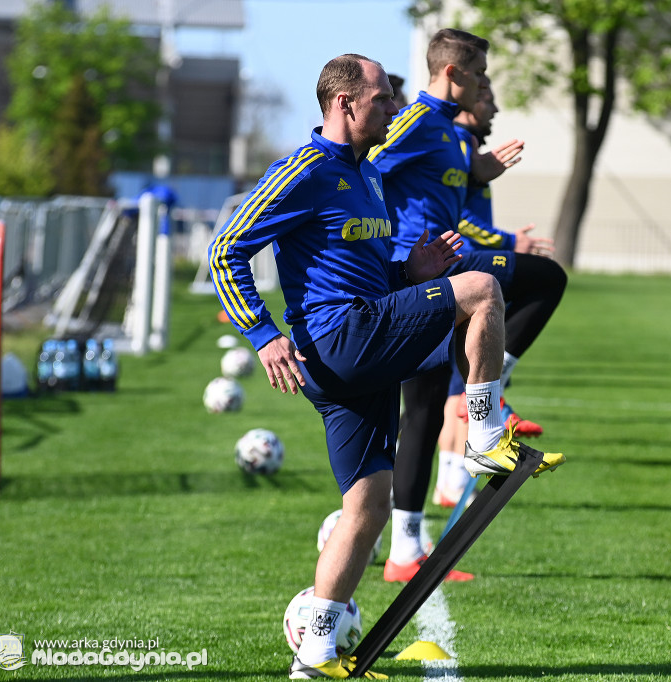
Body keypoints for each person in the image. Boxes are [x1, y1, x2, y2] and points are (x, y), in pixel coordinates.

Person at [208, 53, 564, 680]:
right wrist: (264, 335)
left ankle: (315, 654)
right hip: (341, 337)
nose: (394, 108)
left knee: (367, 507)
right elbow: (225, 249)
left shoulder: (366, 172)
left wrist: (410, 273)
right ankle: (482, 436)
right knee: (482, 290)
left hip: (357, 349)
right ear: (344, 104)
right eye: (381, 100)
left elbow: (354, 267)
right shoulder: (306, 169)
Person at [367, 29, 568, 582]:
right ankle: (488, 397)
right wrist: (389, 250)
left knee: (425, 411)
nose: (485, 84)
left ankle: (404, 552)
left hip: (440, 268)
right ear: (453, 73)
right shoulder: (415, 120)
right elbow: (367, 165)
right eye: (479, 73)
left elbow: (452, 179)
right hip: (425, 270)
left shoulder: (452, 134)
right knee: (546, 277)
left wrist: (484, 168)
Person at [434, 86, 555, 505]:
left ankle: (449, 482)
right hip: (456, 267)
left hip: (463, 265)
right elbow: (459, 221)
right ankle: (493, 389)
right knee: (548, 280)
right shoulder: (446, 142)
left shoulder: (463, 147)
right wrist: (507, 241)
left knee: (453, 392)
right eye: (486, 93)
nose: (495, 106)